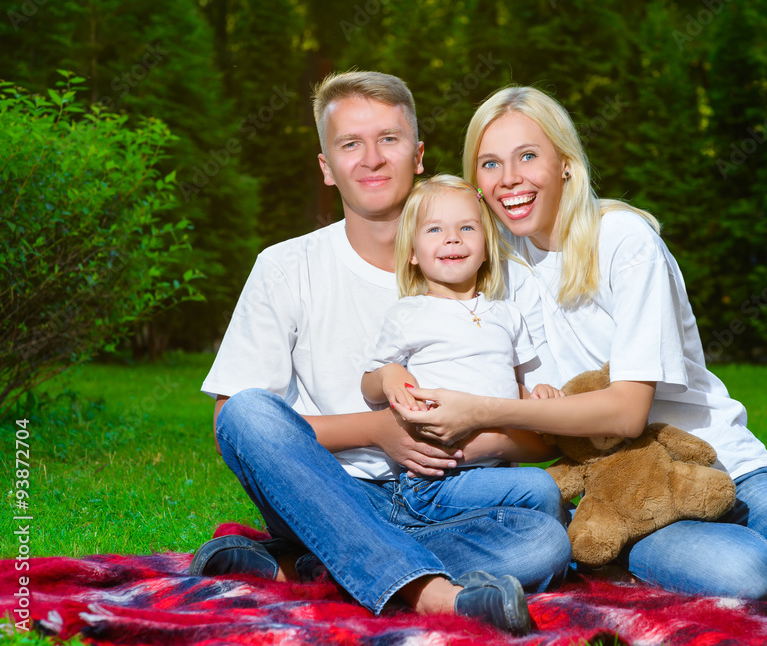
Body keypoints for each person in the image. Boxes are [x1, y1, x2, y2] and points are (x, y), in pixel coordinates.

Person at [398, 85, 767, 614]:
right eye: (490, 163)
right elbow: (531, 411)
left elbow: (627, 412)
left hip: (721, 460)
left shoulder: (624, 241)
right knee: (749, 573)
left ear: (565, 163)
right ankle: (629, 551)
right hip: (622, 492)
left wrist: (481, 412)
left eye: (528, 156)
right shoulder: (495, 270)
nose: (510, 178)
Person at [188, 72, 570, 635]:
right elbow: (237, 427)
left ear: (417, 155)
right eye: (350, 144)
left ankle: (311, 565)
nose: (371, 158)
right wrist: (378, 431)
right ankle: (434, 595)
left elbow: (540, 430)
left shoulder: (489, 272)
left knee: (544, 542)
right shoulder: (285, 267)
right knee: (247, 408)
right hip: (324, 491)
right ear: (326, 166)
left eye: (389, 139)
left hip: (452, 494)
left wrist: (458, 441)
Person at [361, 173, 566, 525]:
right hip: (435, 480)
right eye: (435, 230)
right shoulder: (408, 313)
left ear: (486, 247)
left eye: (467, 229)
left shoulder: (507, 314)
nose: (452, 238)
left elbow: (509, 387)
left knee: (547, 493)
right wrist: (388, 374)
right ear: (411, 252)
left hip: (500, 471)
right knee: (541, 488)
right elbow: (368, 385)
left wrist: (538, 396)